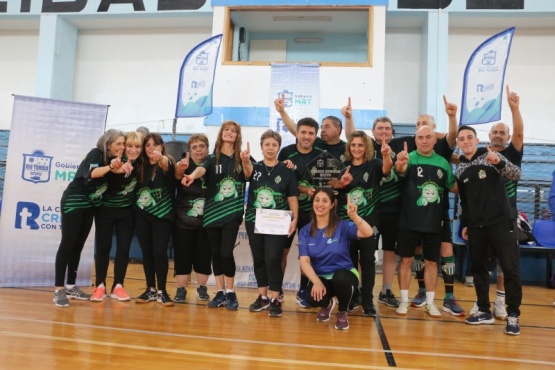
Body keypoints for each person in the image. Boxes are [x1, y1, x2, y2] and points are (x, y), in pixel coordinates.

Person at [456, 125, 523, 335]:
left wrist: (500, 162)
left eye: (469, 137)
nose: (466, 141)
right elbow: (464, 201)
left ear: (476, 140)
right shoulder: (460, 169)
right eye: (461, 139)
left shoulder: (490, 156)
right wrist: (466, 223)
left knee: (510, 270)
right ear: (458, 143)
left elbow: (516, 174)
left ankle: (513, 316)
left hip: (501, 223)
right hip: (476, 227)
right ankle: (483, 310)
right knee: (479, 270)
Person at [467, 86, 524, 320]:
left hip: (506, 219)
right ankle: (482, 305)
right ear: (489, 136)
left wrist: (514, 108)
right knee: (481, 265)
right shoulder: (478, 156)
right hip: (481, 221)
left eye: (502, 132)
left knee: (506, 266)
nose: (498, 135)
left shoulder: (512, 154)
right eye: (495, 132)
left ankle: (501, 302)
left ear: (508, 137)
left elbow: (520, 134)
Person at [53, 129, 125, 307]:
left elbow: (118, 172)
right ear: (109, 145)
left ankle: (71, 286)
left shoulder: (115, 159)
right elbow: (92, 173)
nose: (122, 147)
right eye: (119, 144)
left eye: (123, 144)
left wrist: (122, 167)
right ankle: (58, 290)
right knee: (67, 244)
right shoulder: (96, 154)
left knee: (78, 246)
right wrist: (111, 167)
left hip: (91, 205)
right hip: (75, 201)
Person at [182, 121, 248, 311]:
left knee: (226, 253)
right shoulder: (212, 158)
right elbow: (201, 169)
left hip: (232, 213)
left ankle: (231, 291)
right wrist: (192, 176)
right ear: (221, 134)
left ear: (237, 136)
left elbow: (250, 173)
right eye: (226, 130)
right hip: (211, 213)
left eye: (233, 131)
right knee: (216, 254)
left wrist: (246, 162)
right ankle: (220, 292)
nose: (229, 133)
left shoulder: (241, 158)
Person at [408, 97, 465, 317]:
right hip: (416, 210)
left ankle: (449, 297)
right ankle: (422, 291)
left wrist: (451, 116)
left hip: (439, 210)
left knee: (446, 249)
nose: (422, 133)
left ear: (434, 130)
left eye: (426, 124)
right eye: (418, 126)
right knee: (418, 252)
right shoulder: (412, 149)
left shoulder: (441, 147)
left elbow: (452, 136)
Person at [393, 125, 457, 317]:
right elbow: (400, 169)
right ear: (416, 140)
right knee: (405, 260)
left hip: (434, 222)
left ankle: (430, 302)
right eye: (421, 137)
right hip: (408, 220)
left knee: (431, 262)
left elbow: (453, 186)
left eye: (429, 137)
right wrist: (400, 162)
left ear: (434, 140)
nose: (425, 140)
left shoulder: (443, 163)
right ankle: (404, 301)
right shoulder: (409, 157)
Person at [332, 130, 392, 317]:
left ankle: (367, 301)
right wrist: (341, 184)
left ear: (366, 147)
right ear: (349, 147)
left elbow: (387, 169)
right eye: (353, 145)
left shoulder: (374, 164)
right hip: (346, 223)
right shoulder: (343, 166)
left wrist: (386, 155)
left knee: (367, 262)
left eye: (360, 145)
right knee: (349, 262)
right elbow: (333, 186)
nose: (357, 148)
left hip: (369, 223)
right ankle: (351, 298)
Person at [299, 188, 374, 330]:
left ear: (332, 205)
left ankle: (342, 311)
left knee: (341, 278)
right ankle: (327, 305)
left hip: (344, 274)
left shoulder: (342, 225)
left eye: (325, 201)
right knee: (311, 298)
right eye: (317, 200)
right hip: (322, 276)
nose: (320, 204)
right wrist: (316, 282)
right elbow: (304, 261)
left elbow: (368, 232)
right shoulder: (305, 231)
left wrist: (354, 217)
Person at [244, 130, 299, 317]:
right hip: (254, 220)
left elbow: (292, 197)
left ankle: (276, 298)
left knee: (273, 259)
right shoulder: (255, 167)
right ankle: (262, 297)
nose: (270, 148)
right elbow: (246, 171)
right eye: (267, 144)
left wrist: (295, 219)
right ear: (261, 147)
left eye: (274, 145)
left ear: (278, 147)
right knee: (259, 259)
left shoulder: (287, 170)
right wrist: (245, 160)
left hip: (278, 223)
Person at [277, 117, 326, 307]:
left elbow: (328, 184)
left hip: (312, 215)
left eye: (311, 133)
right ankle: (277, 289)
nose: (307, 136)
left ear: (316, 135)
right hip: (286, 212)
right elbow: (279, 181)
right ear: (296, 133)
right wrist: (303, 189)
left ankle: (304, 290)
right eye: (303, 132)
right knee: (282, 251)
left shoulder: (322, 155)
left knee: (309, 254)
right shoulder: (286, 152)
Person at [91, 131, 142, 302]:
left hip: (126, 213)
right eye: (129, 146)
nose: (133, 150)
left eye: (137, 147)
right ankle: (100, 286)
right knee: (103, 248)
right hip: (105, 211)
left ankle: (118, 286)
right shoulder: (110, 161)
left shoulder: (141, 163)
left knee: (123, 249)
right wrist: (116, 168)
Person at [134, 133, 176, 306]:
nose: (152, 148)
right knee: (147, 253)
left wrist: (162, 159)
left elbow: (167, 165)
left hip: (163, 215)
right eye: (148, 145)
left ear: (161, 146)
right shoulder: (140, 165)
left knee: (159, 252)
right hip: (142, 214)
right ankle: (150, 289)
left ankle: (162, 291)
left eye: (155, 144)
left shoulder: (167, 161)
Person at [173, 134, 212, 303]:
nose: (198, 150)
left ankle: (202, 288)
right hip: (183, 221)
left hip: (207, 221)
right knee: (182, 256)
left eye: (201, 146)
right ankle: (181, 290)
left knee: (204, 256)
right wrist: (180, 169)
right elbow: (175, 175)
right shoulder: (183, 164)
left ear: (207, 148)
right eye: (194, 147)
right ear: (189, 150)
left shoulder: (212, 165)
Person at [274, 94, 347, 160]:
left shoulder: (347, 148)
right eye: (322, 127)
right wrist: (282, 111)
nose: (323, 130)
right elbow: (295, 129)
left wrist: (348, 118)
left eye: (327, 127)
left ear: (337, 129)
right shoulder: (317, 142)